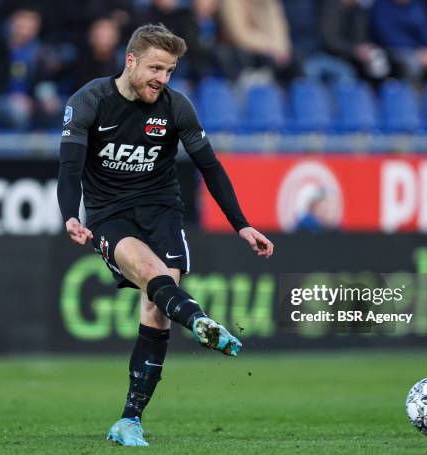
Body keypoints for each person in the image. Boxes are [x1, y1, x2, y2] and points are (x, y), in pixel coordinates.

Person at [57, 24, 273, 447]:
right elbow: (69, 167)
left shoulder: (177, 107)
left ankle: (129, 420)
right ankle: (199, 321)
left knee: (157, 308)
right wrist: (70, 215)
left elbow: (210, 166)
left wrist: (241, 223)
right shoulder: (89, 102)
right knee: (154, 275)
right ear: (131, 60)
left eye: (170, 70)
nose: (163, 78)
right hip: (109, 215)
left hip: (161, 212)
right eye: (156, 67)